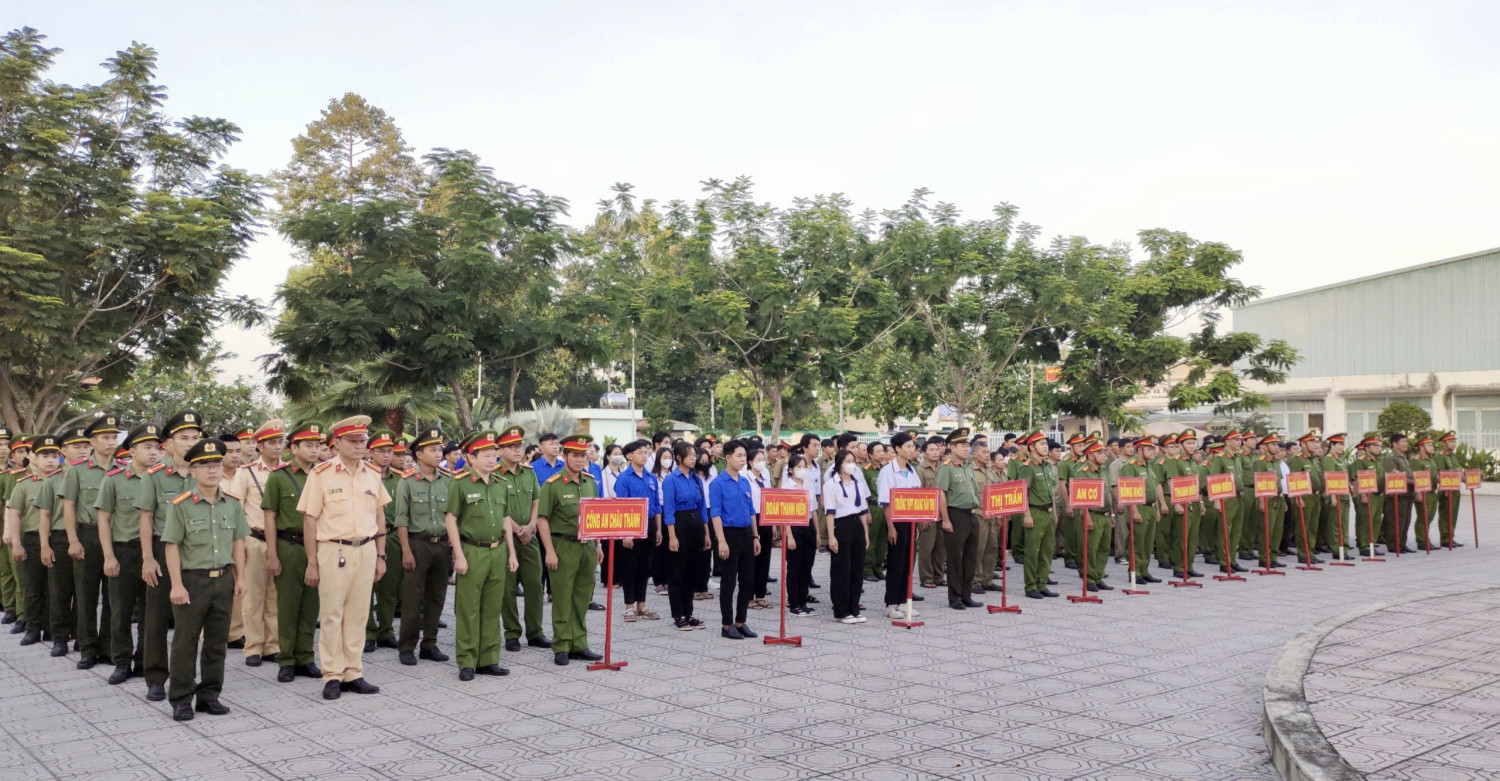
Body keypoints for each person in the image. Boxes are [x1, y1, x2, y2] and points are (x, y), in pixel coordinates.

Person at [298, 415, 391, 700]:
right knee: (332, 615)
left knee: (358, 614)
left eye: (363, 440)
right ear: (337, 442)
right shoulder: (321, 474)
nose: (360, 445)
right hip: (332, 549)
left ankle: (354, 672)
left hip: (365, 548)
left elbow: (379, 516)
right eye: (353, 441)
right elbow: (310, 520)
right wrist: (312, 562)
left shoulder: (372, 474)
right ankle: (332, 675)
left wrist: (381, 555)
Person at [161, 439, 249, 721]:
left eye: (216, 465)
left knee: (216, 642)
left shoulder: (232, 504)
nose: (212, 470)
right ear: (194, 471)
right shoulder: (181, 505)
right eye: (204, 466)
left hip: (223, 579)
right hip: (192, 581)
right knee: (185, 642)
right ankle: (181, 698)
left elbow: (238, 543)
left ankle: (209, 695)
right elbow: (172, 545)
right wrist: (175, 584)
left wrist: (240, 577)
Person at [136, 410, 205, 702]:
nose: (190, 443)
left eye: (195, 437)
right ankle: (155, 676)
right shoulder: (154, 476)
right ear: (168, 443)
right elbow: (146, 519)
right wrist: (148, 558)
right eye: (183, 438)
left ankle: (184, 674)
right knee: (156, 617)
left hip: (197, 555)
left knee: (189, 621)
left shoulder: (206, 470)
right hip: (163, 552)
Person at [445, 429, 519, 680]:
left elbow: (506, 519)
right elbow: (451, 519)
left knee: (491, 607)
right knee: (468, 608)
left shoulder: (501, 484)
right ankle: (467, 661)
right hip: (472, 550)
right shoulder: (460, 483)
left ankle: (488, 659)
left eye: (494, 454)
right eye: (485, 455)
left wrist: (511, 552)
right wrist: (458, 554)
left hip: (497, 551)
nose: (492, 459)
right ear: (470, 458)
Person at [96, 422, 161, 684]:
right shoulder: (114, 480)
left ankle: (145, 660)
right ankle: (121, 661)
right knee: (120, 610)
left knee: (150, 612)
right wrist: (109, 556)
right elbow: (103, 519)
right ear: (132, 451)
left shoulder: (163, 479)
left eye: (157, 447)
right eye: (147, 447)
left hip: (155, 552)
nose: (153, 452)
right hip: (124, 551)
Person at [56, 414, 121, 669]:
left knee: (113, 596)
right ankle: (87, 648)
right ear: (92, 441)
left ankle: (107, 647)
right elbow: (68, 506)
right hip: (88, 535)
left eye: (114, 437)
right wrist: (73, 540)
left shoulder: (124, 469)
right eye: (105, 437)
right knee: (86, 595)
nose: (111, 442)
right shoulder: (78, 471)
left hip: (117, 537)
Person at [262, 421, 325, 683]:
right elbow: (269, 517)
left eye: (317, 445)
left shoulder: (324, 474)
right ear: (293, 447)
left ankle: (305, 657)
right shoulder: (278, 476)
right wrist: (272, 554)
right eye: (308, 445)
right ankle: (286, 658)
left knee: (312, 606)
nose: (314, 450)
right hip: (289, 546)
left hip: (320, 547)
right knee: (287, 606)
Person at [536, 434, 604, 665]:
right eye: (574, 455)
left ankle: (579, 643)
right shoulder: (552, 484)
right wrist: (550, 551)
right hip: (563, 545)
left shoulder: (590, 482)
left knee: (582, 597)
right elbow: (542, 519)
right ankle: (562, 645)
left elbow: (595, 516)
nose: (579, 459)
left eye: (583, 455)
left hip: (586, 547)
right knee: (563, 598)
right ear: (565, 456)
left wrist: (598, 545)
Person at [225, 419, 284, 667]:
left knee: (276, 597)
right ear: (259, 446)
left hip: (282, 541)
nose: (278, 447)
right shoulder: (246, 472)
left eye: (281, 442)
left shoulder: (288, 471)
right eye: (272, 443)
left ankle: (273, 646)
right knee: (253, 597)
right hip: (254, 539)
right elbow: (237, 510)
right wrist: (239, 546)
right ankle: (253, 647)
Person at [393, 426, 454, 666]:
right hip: (418, 545)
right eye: (433, 449)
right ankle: (407, 646)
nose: (438, 453)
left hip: (442, 545)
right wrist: (406, 550)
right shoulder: (407, 481)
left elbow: (453, 515)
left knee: (437, 596)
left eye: (440, 449)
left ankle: (430, 644)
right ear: (419, 454)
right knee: (412, 599)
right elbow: (401, 519)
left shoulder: (448, 480)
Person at [34, 426, 90, 658]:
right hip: (59, 538)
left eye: (86, 446)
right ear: (63, 451)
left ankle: (82, 636)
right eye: (77, 447)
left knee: (85, 592)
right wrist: (45, 546)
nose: (83, 451)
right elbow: (45, 515)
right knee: (60, 591)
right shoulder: (53, 480)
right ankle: (59, 637)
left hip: (87, 536)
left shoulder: (96, 476)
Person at [7, 434, 63, 648]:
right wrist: (17, 543)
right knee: (32, 587)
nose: (50, 460)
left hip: (57, 539)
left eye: (54, 455)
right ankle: (32, 628)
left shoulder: (66, 480)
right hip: (30, 539)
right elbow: (15, 514)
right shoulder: (23, 484)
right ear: (33, 458)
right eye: (44, 455)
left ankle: (53, 629)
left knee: (56, 589)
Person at [710, 440, 761, 638]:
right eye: (739, 456)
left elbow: (751, 512)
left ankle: (741, 621)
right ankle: (726, 624)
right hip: (728, 534)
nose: (743, 459)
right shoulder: (718, 484)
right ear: (728, 457)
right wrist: (721, 541)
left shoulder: (745, 481)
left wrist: (755, 536)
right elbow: (715, 515)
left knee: (748, 580)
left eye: (744, 456)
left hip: (746, 535)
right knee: (729, 582)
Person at [613, 439, 661, 622]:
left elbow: (656, 505)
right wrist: (626, 534)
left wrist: (658, 529)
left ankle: (642, 604)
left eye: (646, 452)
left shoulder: (651, 477)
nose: (644, 455)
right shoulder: (624, 479)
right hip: (631, 526)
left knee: (644, 567)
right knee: (630, 567)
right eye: (640, 452)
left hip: (649, 525)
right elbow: (621, 507)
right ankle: (629, 607)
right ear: (629, 456)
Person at [364, 429, 403, 653]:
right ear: (371, 452)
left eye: (390, 451)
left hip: (393, 535)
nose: (387, 455)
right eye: (381, 451)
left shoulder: (399, 479)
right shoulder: (364, 475)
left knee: (390, 587)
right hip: (369, 537)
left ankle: (386, 630)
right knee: (367, 587)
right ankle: (368, 631)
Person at [877, 433, 924, 617]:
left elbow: (918, 499)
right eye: (908, 446)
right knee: (896, 563)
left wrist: (917, 525)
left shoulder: (912, 471)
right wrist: (890, 527)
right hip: (895, 522)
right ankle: (891, 604)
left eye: (913, 446)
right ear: (897, 448)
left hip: (910, 522)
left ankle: (904, 601)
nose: (912, 450)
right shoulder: (888, 471)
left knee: (907, 563)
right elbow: (885, 502)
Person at [937, 429, 983, 610]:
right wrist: (945, 520)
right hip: (955, 515)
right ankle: (954, 597)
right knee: (955, 558)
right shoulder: (947, 467)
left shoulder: (967, 466)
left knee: (971, 557)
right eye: (962, 446)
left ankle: (966, 595)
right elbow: (941, 494)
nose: (966, 449)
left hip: (971, 514)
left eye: (967, 446)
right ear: (952, 447)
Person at [823, 448, 871, 624]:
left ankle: (854, 607)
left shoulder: (857, 482)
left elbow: (862, 511)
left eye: (853, 461)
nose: (851, 465)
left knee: (857, 569)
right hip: (841, 525)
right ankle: (841, 610)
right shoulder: (831, 484)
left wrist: (865, 533)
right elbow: (829, 512)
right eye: (847, 461)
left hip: (856, 525)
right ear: (839, 464)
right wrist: (831, 536)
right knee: (841, 570)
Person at [1119, 436, 1164, 584]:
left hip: (1150, 508)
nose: (1152, 451)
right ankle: (1135, 572)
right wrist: (1134, 511)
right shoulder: (1131, 466)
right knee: (1137, 542)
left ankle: (1144, 571)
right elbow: (1128, 490)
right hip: (1139, 508)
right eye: (1149, 449)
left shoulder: (1149, 466)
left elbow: (1155, 487)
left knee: (1148, 543)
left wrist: (1157, 508)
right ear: (1140, 450)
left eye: (1153, 449)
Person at [779, 452, 819, 617]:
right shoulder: (787, 487)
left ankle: (803, 602)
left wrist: (816, 532)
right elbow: (784, 514)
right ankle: (794, 604)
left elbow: (813, 510)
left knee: (806, 567)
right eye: (798, 467)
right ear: (790, 470)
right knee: (794, 568)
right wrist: (789, 536)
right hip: (794, 527)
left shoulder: (809, 485)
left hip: (808, 525)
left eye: (804, 466)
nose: (802, 470)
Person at [915, 436, 947, 590]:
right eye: (931, 450)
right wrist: (923, 516)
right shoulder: (920, 470)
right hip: (928, 513)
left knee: (941, 547)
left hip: (942, 512)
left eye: (936, 450)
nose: (935, 453)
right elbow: (919, 493)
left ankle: (939, 576)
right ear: (924, 453)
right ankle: (926, 577)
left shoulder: (942, 467)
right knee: (926, 547)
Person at [746, 446, 775, 611]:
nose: (761, 463)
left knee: (765, 558)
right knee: (751, 559)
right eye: (758, 460)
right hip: (752, 518)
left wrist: (774, 523)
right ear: (750, 462)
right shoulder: (746, 477)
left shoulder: (765, 476)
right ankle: (748, 596)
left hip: (766, 518)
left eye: (763, 460)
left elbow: (770, 498)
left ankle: (760, 595)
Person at [1381, 433, 1416, 553]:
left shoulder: (1404, 457)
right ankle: (1393, 545)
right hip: (1397, 495)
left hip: (1407, 493)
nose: (1406, 444)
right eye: (1403, 442)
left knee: (1405, 520)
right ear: (1395, 444)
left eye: (1406, 442)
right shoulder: (1391, 457)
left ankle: (1402, 543)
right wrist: (1412, 481)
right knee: (1396, 520)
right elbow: (1391, 476)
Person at [649, 446, 675, 595]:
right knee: (659, 548)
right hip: (660, 511)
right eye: (664, 457)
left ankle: (669, 580)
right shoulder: (654, 476)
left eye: (670, 457)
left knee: (670, 549)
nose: (667, 460)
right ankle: (659, 582)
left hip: (673, 512)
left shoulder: (674, 475)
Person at [863, 442, 888, 584]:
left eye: (882, 451)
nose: (881, 454)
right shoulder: (865, 470)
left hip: (885, 507)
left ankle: (878, 568)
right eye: (877, 451)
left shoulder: (885, 469)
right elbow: (864, 493)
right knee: (871, 540)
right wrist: (867, 512)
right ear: (870, 454)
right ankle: (867, 569)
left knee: (883, 541)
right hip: (872, 507)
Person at [1433, 431, 1464, 548]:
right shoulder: (1439, 456)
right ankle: (1445, 539)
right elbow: (1440, 474)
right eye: (1450, 442)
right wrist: (1446, 489)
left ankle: (1451, 536)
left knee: (1453, 514)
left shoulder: (1452, 456)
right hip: (1446, 491)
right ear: (1443, 444)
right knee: (1446, 514)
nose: (1453, 444)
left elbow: (1457, 471)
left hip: (1455, 489)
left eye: (1454, 441)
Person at [1410, 435, 1441, 550]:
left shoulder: (1431, 460)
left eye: (1432, 445)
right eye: (1429, 445)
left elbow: (1434, 476)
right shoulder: (1416, 461)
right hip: (1423, 493)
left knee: (1429, 517)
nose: (1432, 447)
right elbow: (1415, 478)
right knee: (1423, 517)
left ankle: (1426, 538)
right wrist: (1417, 494)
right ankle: (1422, 541)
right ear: (1421, 447)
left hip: (1432, 492)